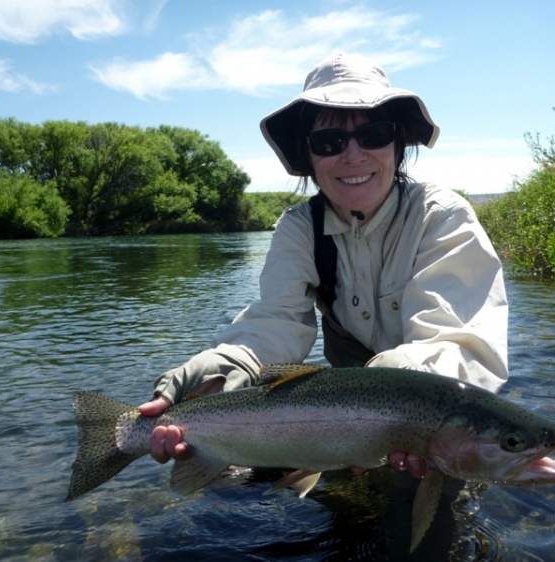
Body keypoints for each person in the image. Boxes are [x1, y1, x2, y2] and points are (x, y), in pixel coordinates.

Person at [138, 52, 508, 479]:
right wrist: (226, 365)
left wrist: (398, 417)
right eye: (329, 143)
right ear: (308, 156)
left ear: (397, 144)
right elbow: (277, 320)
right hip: (343, 418)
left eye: (373, 134)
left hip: (415, 412)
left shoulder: (443, 217)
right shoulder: (298, 228)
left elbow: (459, 345)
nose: (353, 156)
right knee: (240, 481)